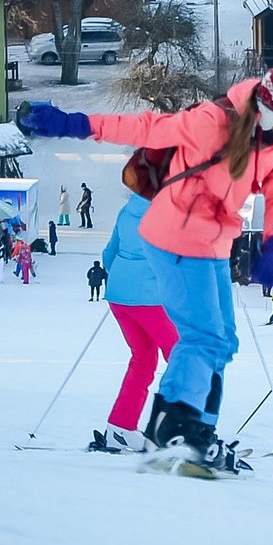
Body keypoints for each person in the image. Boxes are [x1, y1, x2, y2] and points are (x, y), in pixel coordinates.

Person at [20, 56, 273, 474]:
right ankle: (168, 429)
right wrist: (73, 123)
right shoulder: (209, 122)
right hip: (175, 237)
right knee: (202, 338)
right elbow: (143, 128)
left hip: (216, 244)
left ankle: (198, 434)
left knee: (223, 342)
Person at [92, 192, 179, 453]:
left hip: (120, 297)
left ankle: (121, 427)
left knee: (143, 359)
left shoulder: (128, 209)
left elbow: (109, 254)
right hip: (150, 298)